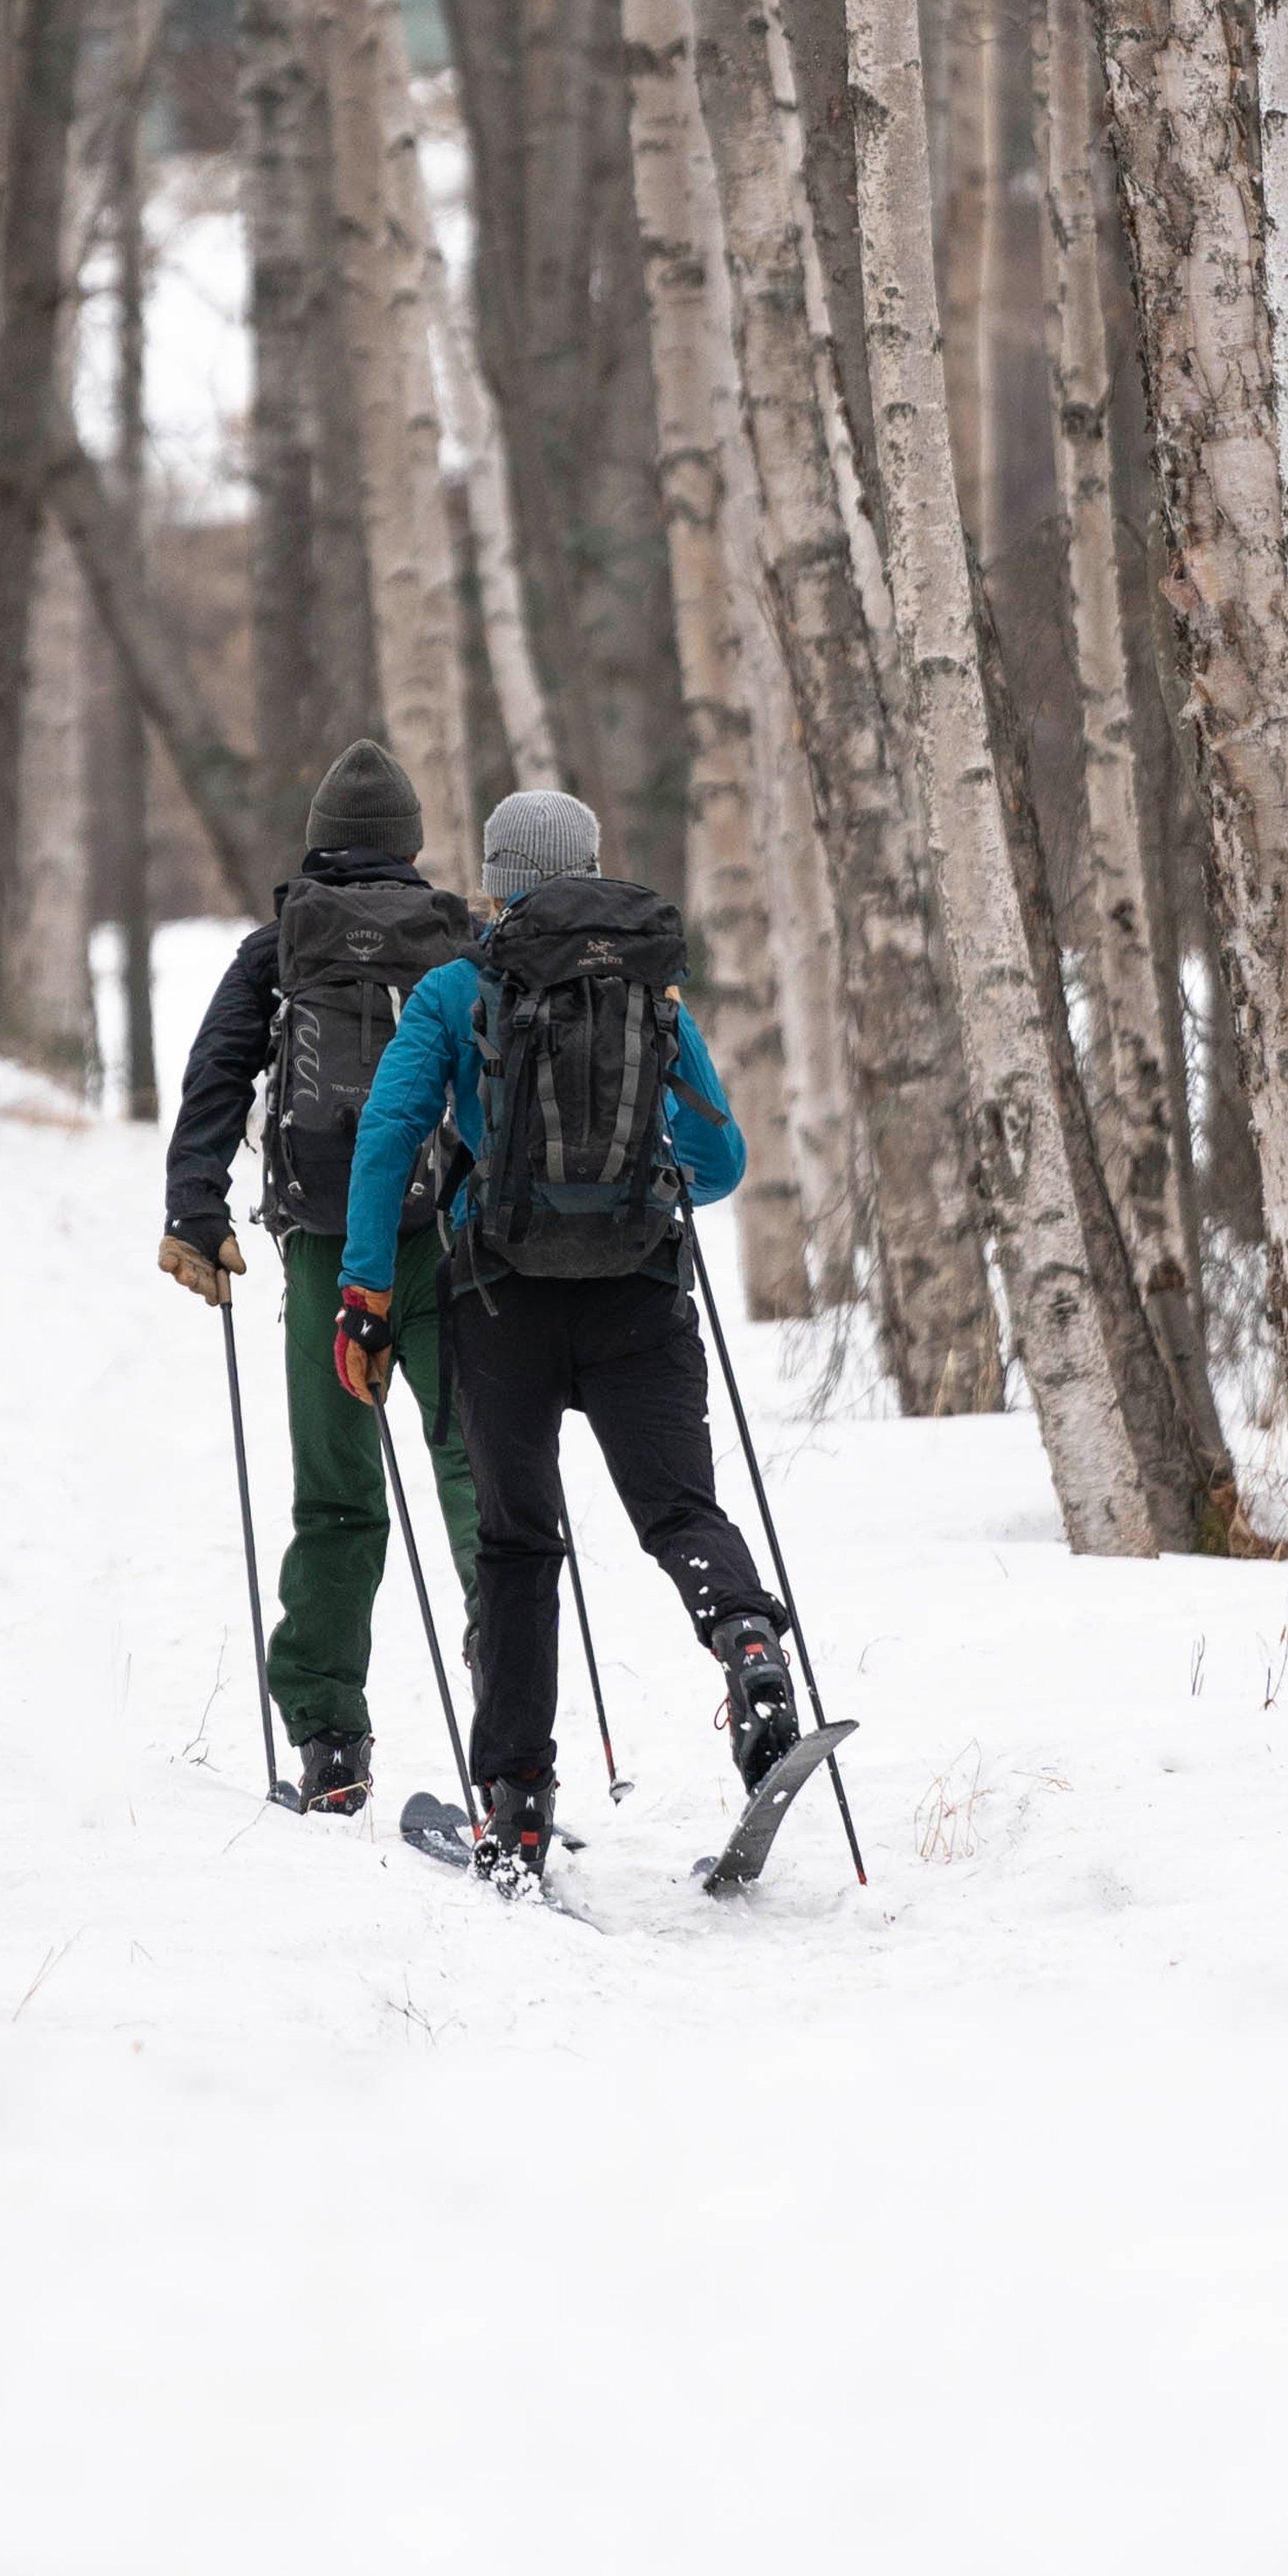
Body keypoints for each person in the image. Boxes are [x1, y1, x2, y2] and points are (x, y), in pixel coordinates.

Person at [332, 787, 796, 1894]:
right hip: (639, 1295)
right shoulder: (648, 994)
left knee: (516, 1547)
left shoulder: (453, 990)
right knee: (680, 1509)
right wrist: (645, 1178)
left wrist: (364, 1285)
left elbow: (390, 1131)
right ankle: (743, 1638)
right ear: (590, 865)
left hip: (501, 1304)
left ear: (494, 879)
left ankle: (517, 1805)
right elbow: (723, 1162)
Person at [158, 739, 484, 1812]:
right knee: (470, 1468)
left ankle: (328, 1743)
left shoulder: (279, 944)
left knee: (337, 1493)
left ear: (317, 842)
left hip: (321, 1244)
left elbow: (216, 1074)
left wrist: (194, 1210)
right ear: (408, 845)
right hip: (444, 1241)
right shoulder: (458, 942)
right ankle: (508, 1703)